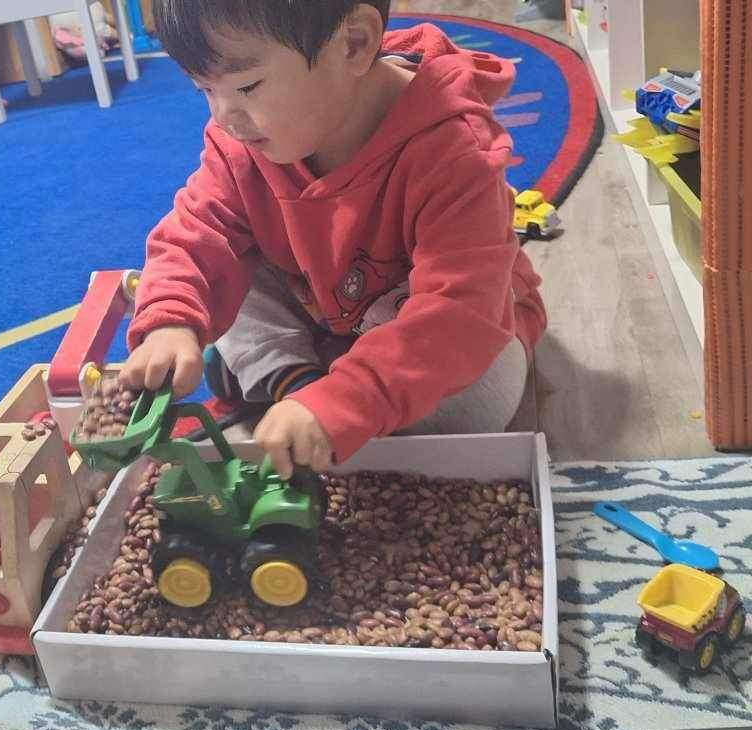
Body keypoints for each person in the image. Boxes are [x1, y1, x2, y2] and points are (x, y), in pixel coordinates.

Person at [119, 0, 547, 478]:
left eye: (246, 87)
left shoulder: (455, 148)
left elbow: (460, 313)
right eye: (205, 90)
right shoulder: (242, 141)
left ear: (354, 44)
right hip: (323, 302)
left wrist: (349, 398)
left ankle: (297, 378)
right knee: (228, 266)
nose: (224, 118)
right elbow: (197, 232)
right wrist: (171, 322)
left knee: (480, 400)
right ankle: (297, 381)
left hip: (443, 316)